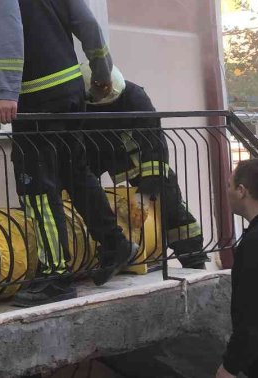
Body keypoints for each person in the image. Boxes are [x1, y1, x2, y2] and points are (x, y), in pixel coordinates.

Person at [0, 0, 136, 307]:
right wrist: (101, 75)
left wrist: (5, 94)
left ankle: (55, 275)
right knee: (75, 172)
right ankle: (115, 244)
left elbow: (9, 38)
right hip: (71, 95)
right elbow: (90, 30)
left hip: (35, 100)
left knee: (36, 185)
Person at [79, 63, 208, 269]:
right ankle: (106, 250)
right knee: (82, 194)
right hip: (96, 153)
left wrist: (146, 192)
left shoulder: (134, 95)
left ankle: (193, 256)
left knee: (169, 198)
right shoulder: (81, 100)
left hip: (137, 156)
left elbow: (154, 143)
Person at [216, 158, 258, 378]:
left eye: (229, 185)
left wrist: (230, 367)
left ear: (242, 191)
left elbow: (256, 316)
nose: (227, 191)